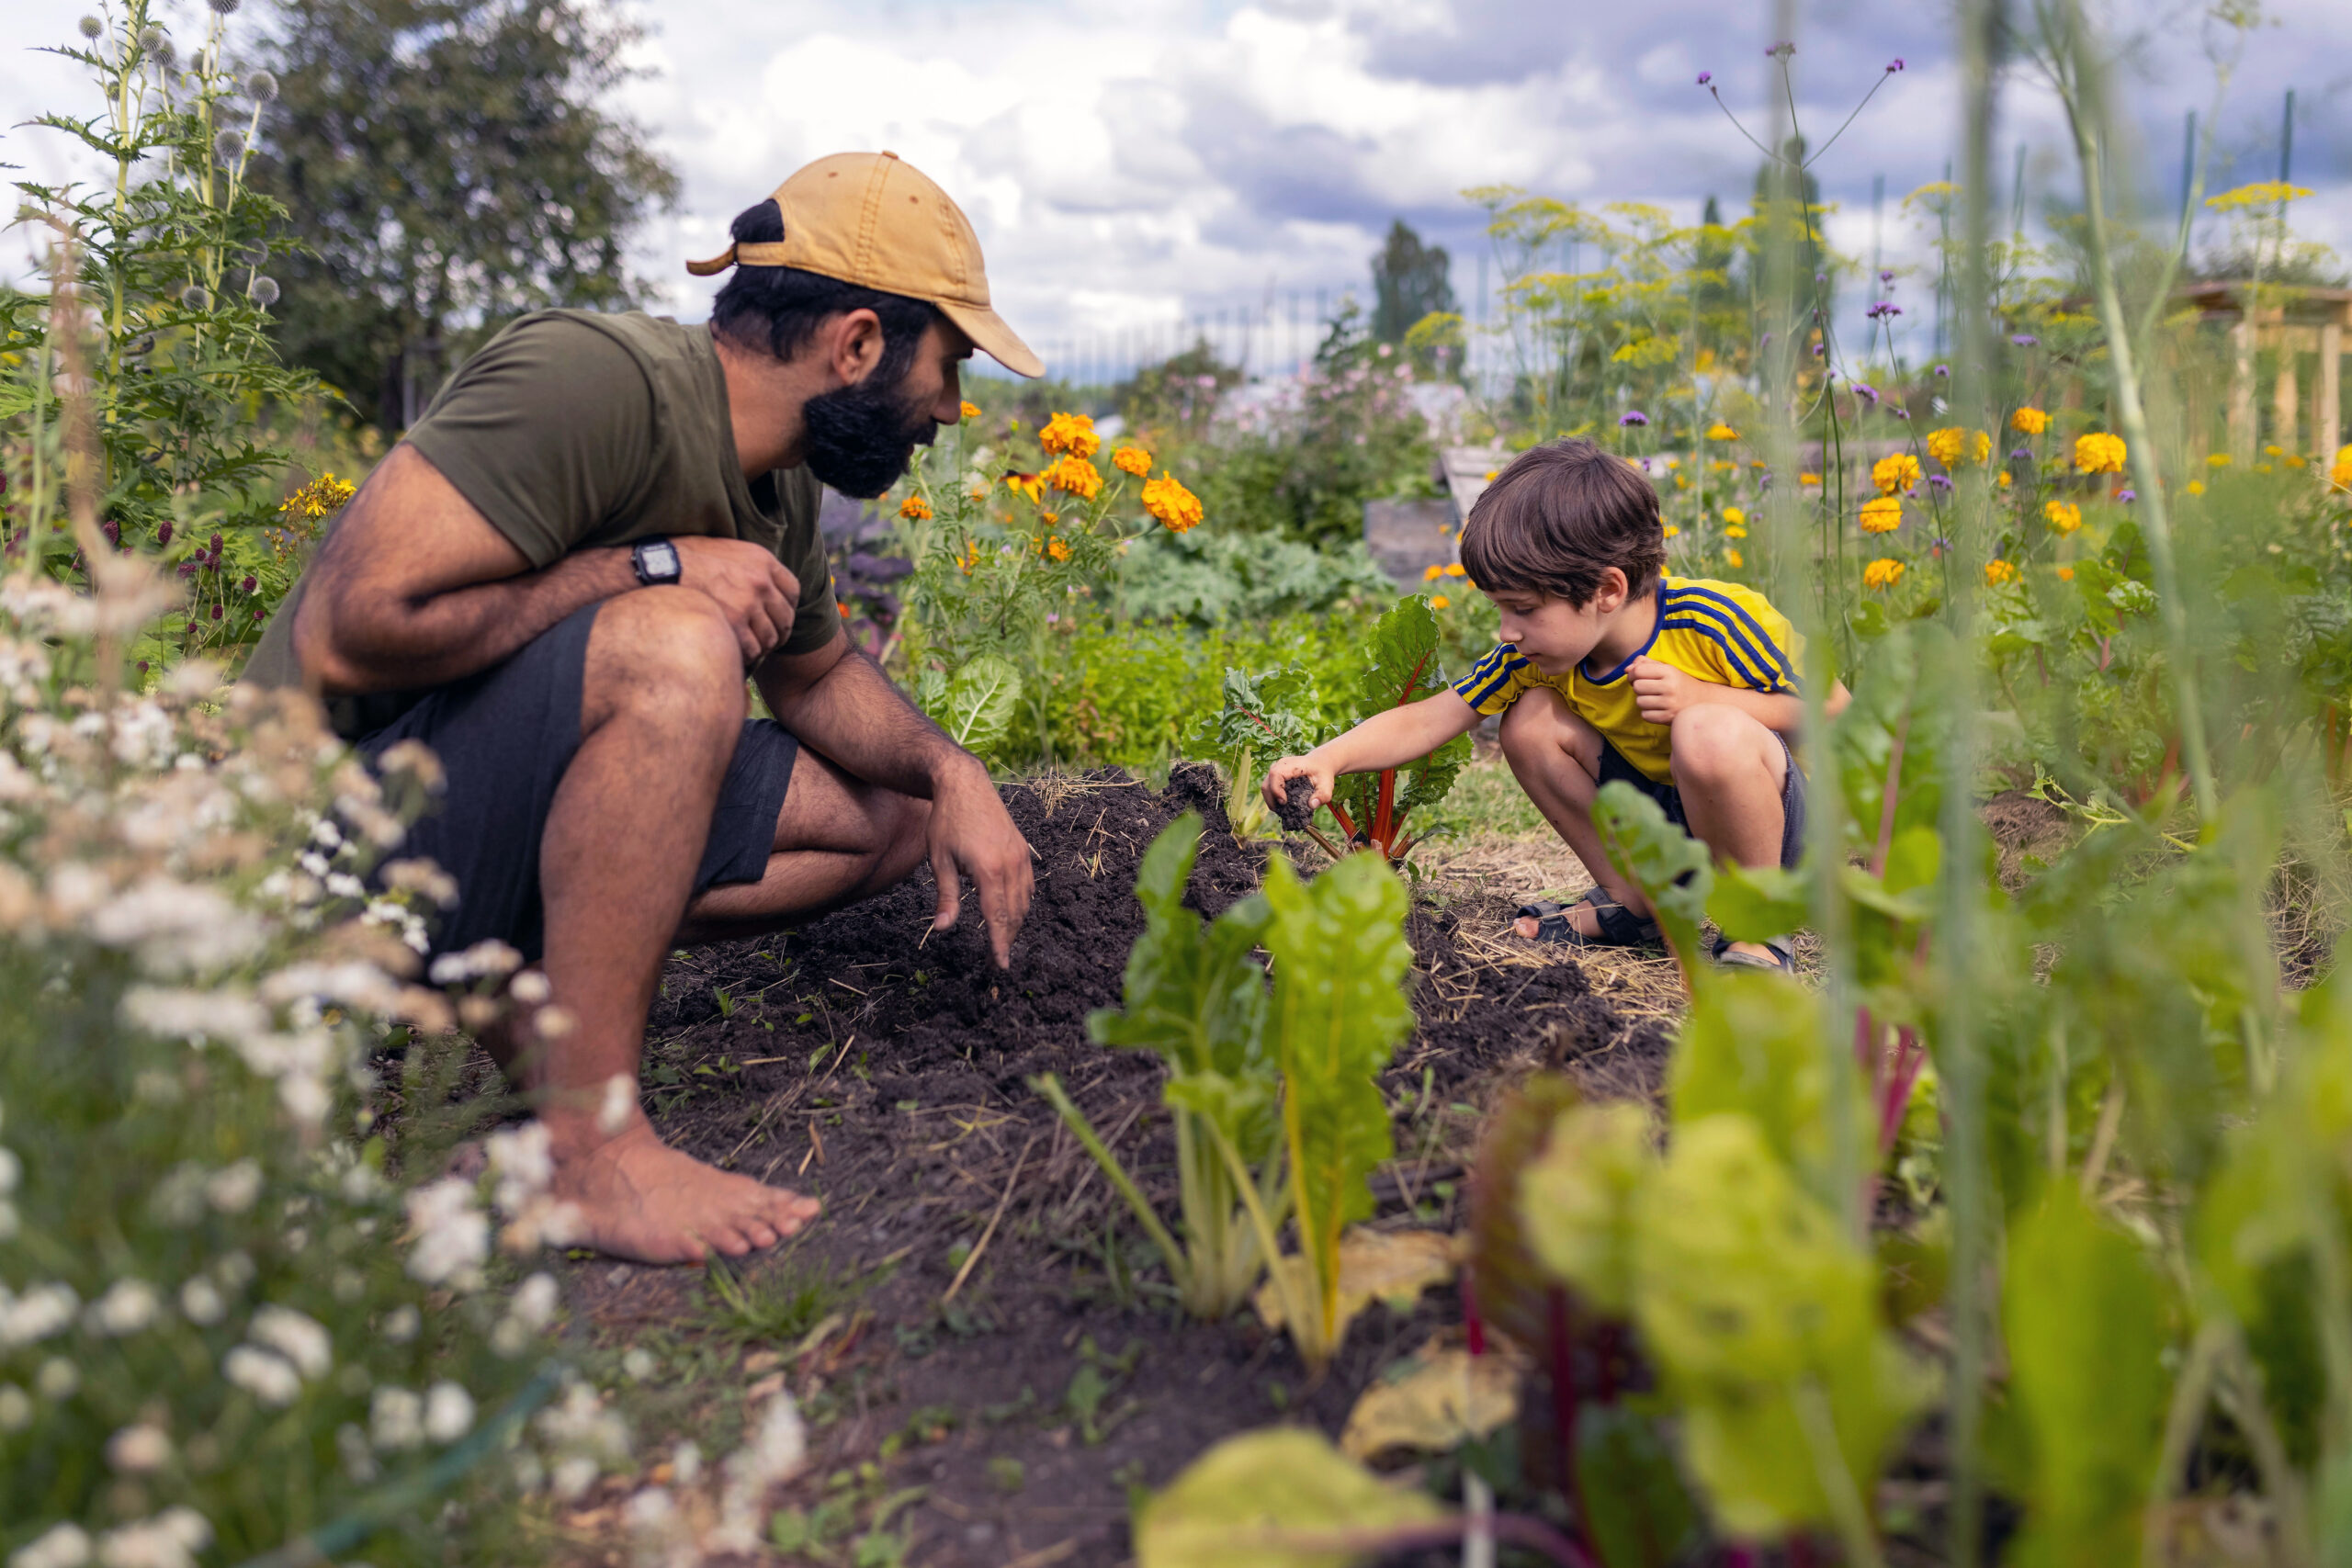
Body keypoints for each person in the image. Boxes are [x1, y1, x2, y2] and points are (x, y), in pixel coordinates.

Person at [243, 152, 1042, 1264]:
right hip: (310, 843)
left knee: (891, 812)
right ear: (857, 343)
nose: (949, 410)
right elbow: (351, 625)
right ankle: (588, 1154)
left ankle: (524, 991)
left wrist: (954, 772)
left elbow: (811, 677)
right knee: (677, 644)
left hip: (471, 826)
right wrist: (652, 568)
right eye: (947, 366)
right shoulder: (589, 378)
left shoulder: (779, 480)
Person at [1262, 438, 1846, 972]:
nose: (1506, 631)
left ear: (1607, 590)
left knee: (1707, 730)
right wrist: (1328, 760)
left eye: (1523, 609)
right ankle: (1635, 904)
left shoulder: (1711, 619)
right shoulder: (1538, 657)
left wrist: (1703, 697)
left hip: (1773, 829)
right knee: (1530, 721)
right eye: (1500, 610)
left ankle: (1758, 929)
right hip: (1664, 821)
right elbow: (1431, 716)